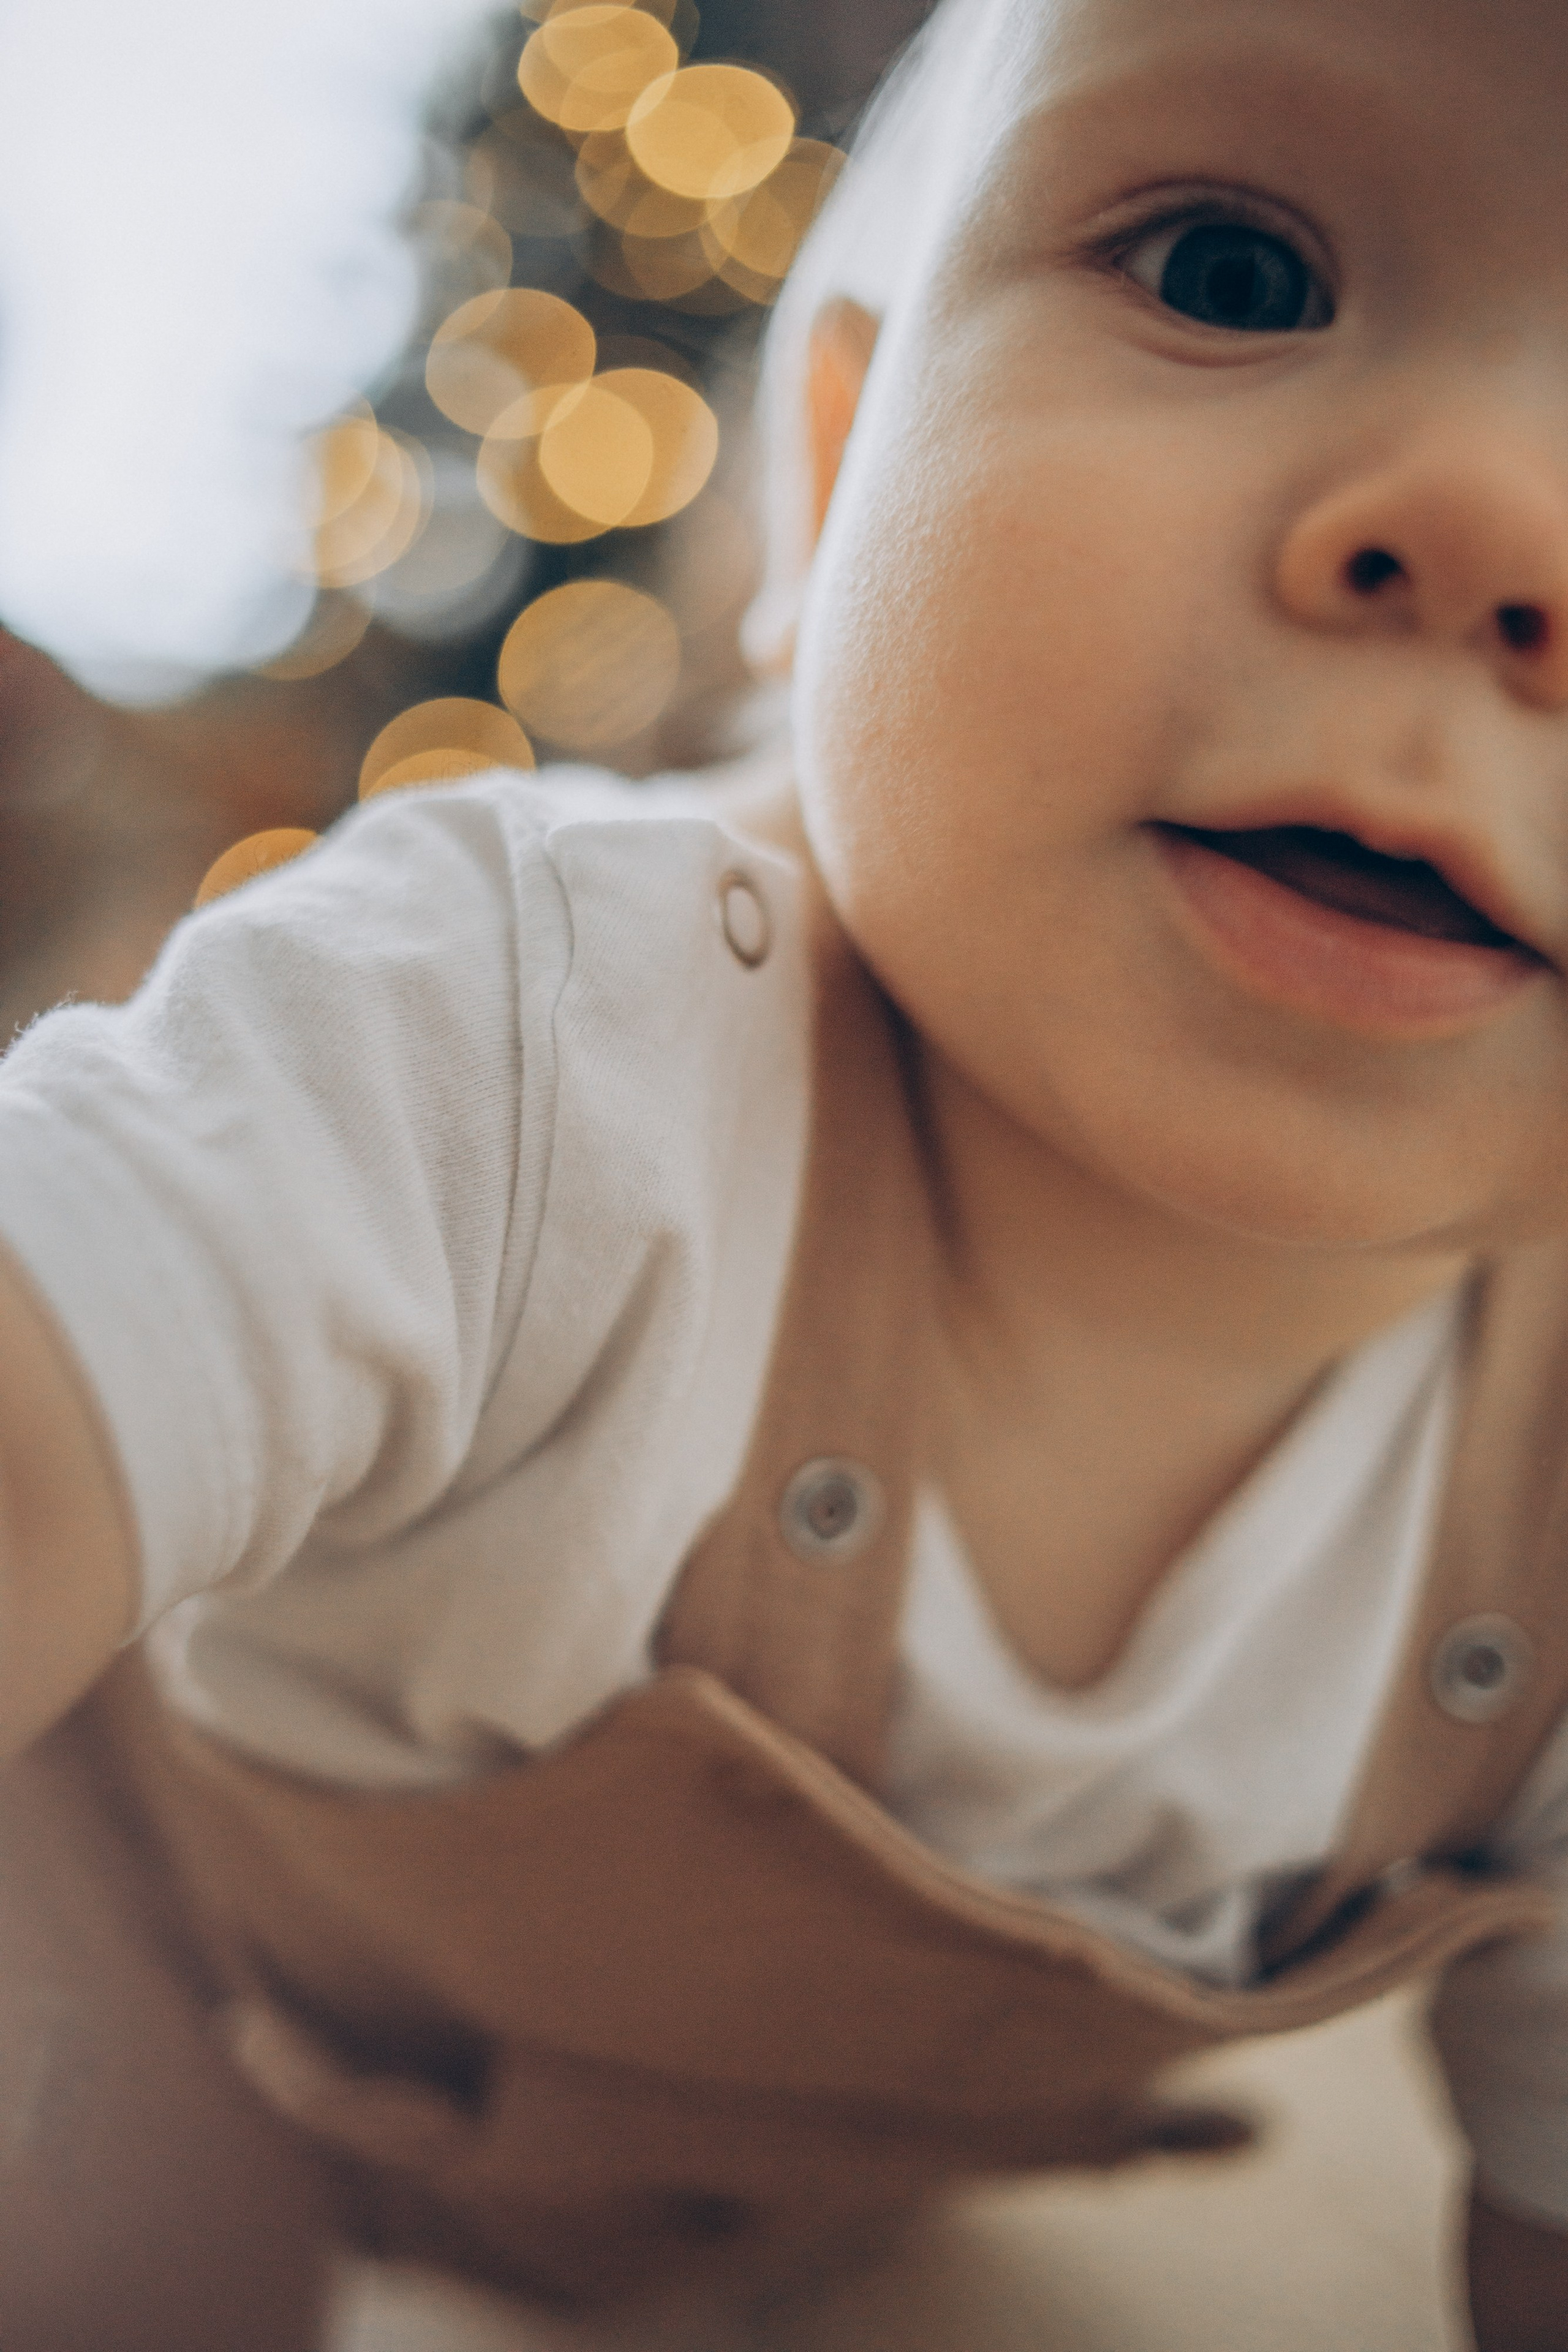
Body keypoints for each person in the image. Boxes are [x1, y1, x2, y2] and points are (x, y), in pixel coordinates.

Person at [2, 0, 1568, 2346]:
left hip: (761, 2213)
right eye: (1235, 271)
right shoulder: (524, 1037)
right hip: (152, 1948)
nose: (1491, 518)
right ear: (829, 489)